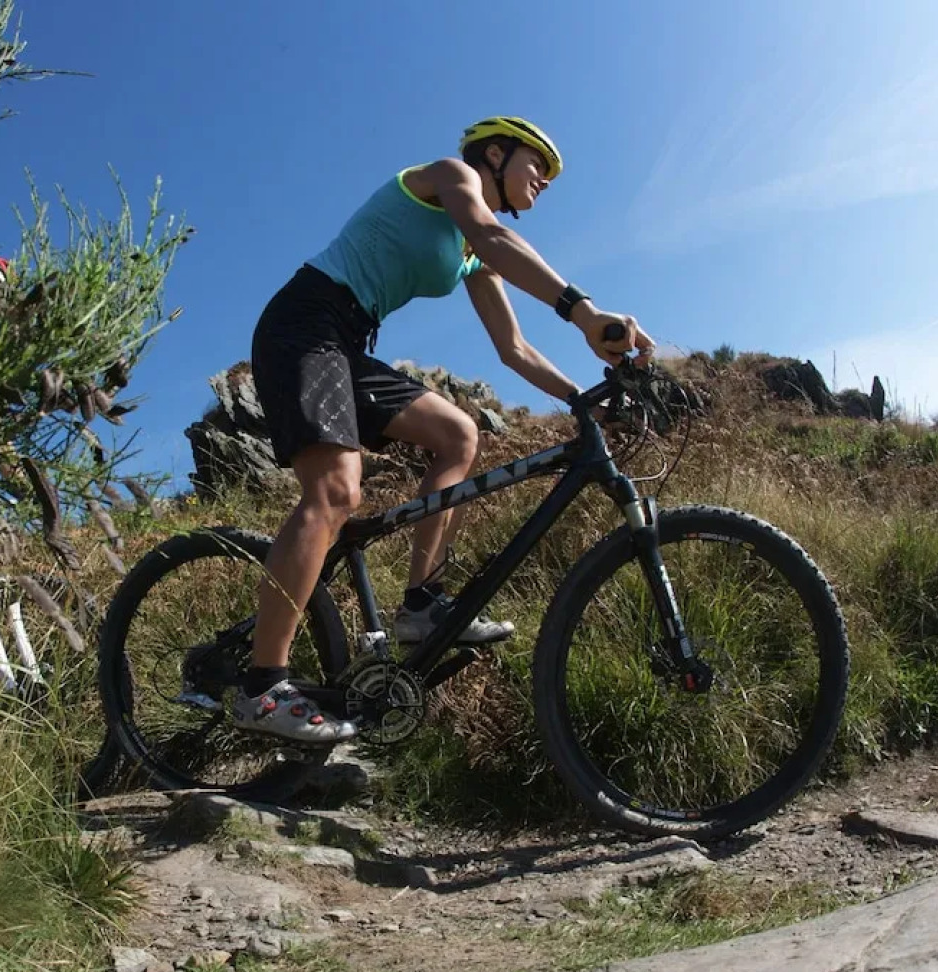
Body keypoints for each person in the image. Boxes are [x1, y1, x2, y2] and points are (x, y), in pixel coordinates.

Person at [237, 116, 656, 743]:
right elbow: (490, 233)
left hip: (346, 346)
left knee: (459, 434)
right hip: (304, 323)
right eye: (535, 165)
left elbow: (512, 349)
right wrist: (584, 311)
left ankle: (420, 606)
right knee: (335, 491)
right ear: (494, 154)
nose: (543, 181)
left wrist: (579, 399)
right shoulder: (448, 178)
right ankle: (260, 687)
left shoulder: (471, 254)